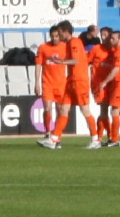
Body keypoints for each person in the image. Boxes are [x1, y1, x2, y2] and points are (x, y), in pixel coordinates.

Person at [38, 20, 101, 149]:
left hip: (79, 81)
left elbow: (76, 60)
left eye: (60, 32)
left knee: (85, 110)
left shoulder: (75, 42)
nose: (58, 35)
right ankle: (54, 139)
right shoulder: (68, 44)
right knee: (64, 109)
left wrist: (60, 62)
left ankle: (95, 139)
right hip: (71, 80)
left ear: (66, 32)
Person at [34, 25, 67, 139]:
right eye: (53, 36)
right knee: (47, 108)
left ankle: (57, 134)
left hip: (61, 84)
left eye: (57, 36)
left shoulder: (65, 47)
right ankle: (47, 132)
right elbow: (38, 65)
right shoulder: (43, 47)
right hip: (47, 83)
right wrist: (36, 82)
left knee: (60, 109)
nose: (55, 38)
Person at [87, 27, 114, 144]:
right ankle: (109, 137)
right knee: (104, 109)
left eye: (106, 34)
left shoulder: (114, 50)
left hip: (111, 84)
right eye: (102, 34)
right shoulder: (96, 49)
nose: (103, 36)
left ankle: (101, 136)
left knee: (106, 110)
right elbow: (85, 62)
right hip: (99, 84)